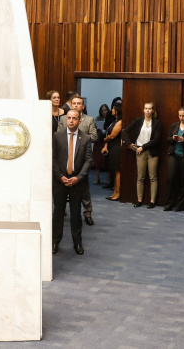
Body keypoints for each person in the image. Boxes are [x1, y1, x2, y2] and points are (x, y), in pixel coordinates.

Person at [52, 109, 92, 256]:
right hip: (60, 181)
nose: (71, 121)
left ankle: (77, 243)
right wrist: (60, 176)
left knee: (76, 214)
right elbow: (53, 159)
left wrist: (78, 178)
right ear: (65, 119)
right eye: (69, 118)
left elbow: (88, 160)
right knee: (58, 213)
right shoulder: (57, 136)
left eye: (74, 118)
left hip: (77, 182)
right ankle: (55, 241)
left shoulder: (86, 138)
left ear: (79, 121)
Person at [58, 95, 98, 225]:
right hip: (66, 159)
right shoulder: (64, 119)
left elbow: (94, 136)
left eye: (78, 103)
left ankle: (87, 213)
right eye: (74, 103)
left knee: (84, 189)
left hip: (82, 158)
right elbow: (58, 137)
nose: (76, 105)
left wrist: (80, 140)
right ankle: (62, 211)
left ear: (83, 106)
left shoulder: (89, 119)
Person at [123, 101, 163, 208]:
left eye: (150, 109)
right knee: (140, 177)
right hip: (139, 152)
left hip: (152, 152)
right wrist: (129, 144)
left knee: (153, 177)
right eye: (146, 108)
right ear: (143, 110)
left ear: (153, 110)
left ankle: (152, 201)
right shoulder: (139, 121)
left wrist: (143, 147)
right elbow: (124, 131)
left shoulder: (157, 123)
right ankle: (139, 200)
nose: (147, 110)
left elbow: (156, 139)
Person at [164, 106, 184, 211]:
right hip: (174, 154)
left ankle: (180, 204)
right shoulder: (174, 125)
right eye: (179, 115)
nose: (181, 118)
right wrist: (173, 138)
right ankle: (169, 203)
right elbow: (168, 139)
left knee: (183, 180)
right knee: (171, 179)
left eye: (183, 115)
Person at [102, 101, 124, 201]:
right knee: (114, 172)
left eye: (114, 108)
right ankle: (114, 192)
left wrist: (105, 139)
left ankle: (118, 193)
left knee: (117, 172)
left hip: (117, 148)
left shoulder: (120, 122)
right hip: (112, 147)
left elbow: (112, 135)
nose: (112, 110)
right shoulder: (114, 121)